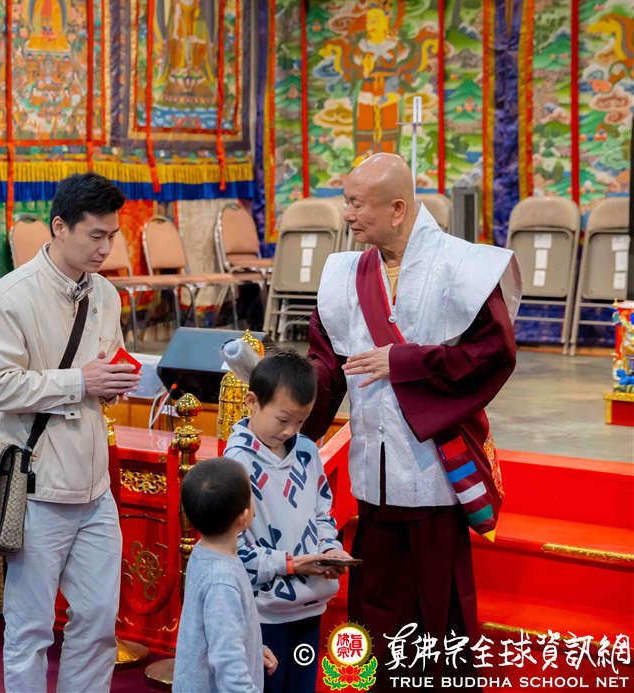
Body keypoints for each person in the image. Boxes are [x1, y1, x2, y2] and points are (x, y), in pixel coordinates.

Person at [304, 153, 519, 684]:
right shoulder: (344, 274)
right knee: (376, 605)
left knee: (437, 610)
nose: (347, 215)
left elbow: (493, 353)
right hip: (373, 475)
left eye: (357, 204)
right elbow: (326, 364)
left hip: (433, 474)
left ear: (397, 209)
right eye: (347, 202)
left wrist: (405, 362)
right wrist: (285, 403)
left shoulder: (461, 267)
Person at [0, 172, 141, 693]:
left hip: (94, 486)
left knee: (98, 622)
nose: (106, 248)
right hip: (36, 484)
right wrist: (80, 382)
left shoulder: (106, 294)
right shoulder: (12, 295)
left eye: (113, 235)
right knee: (31, 626)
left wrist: (111, 384)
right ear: (60, 227)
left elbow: (102, 367)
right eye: (96, 235)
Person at [223, 350, 353, 693]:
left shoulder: (307, 452)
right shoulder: (236, 465)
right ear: (252, 402)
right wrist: (292, 564)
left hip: (311, 606)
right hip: (264, 612)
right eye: (283, 419)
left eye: (301, 420)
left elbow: (322, 514)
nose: (291, 430)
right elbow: (234, 550)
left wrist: (330, 549)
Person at [173, 458, 278, 693]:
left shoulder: (204, 552)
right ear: (243, 517)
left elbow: (219, 631)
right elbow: (228, 666)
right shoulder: (221, 580)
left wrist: (253, 649)